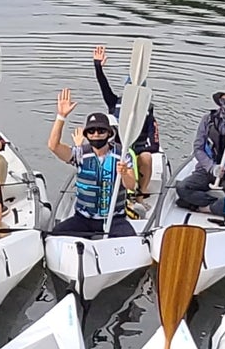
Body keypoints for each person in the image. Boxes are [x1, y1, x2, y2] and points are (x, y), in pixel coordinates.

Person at [47, 90, 138, 238]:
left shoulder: (122, 155)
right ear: (87, 135)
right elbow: (53, 146)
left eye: (101, 130)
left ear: (109, 133)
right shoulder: (80, 153)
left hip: (114, 219)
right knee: (55, 235)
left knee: (130, 240)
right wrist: (61, 116)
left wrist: (124, 173)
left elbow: (131, 185)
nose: (96, 134)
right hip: (83, 219)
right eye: (91, 131)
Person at [174, 90, 225, 216]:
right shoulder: (207, 120)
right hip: (207, 170)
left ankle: (210, 208)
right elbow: (198, 148)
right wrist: (211, 167)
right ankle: (220, 205)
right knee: (182, 188)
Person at [93, 45, 160, 193]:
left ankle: (141, 192)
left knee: (147, 158)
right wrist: (98, 66)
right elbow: (103, 85)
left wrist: (132, 152)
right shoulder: (113, 102)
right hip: (116, 147)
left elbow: (154, 144)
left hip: (138, 148)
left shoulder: (148, 113)